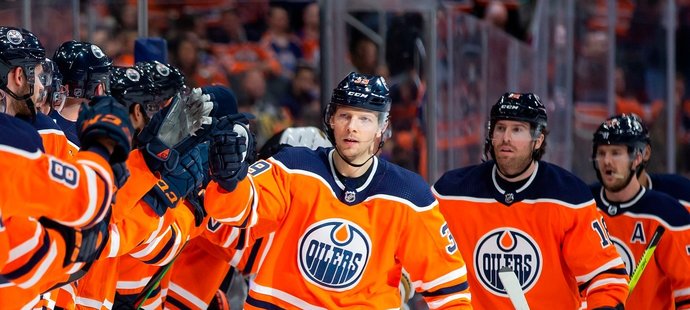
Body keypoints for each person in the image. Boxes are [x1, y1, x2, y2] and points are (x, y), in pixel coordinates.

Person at [204, 72, 472, 309]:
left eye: (364, 119)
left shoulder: (409, 195)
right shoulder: (292, 167)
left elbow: (450, 294)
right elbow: (237, 213)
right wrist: (228, 182)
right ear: (331, 119)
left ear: (382, 127)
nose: (352, 127)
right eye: (345, 115)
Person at [432, 92, 629, 309]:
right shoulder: (451, 193)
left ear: (538, 140)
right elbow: (419, 254)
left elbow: (605, 276)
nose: (506, 137)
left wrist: (605, 306)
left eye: (517, 129)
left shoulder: (568, 196)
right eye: (500, 128)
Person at [590, 114, 690, 309]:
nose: (607, 161)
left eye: (616, 153)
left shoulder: (668, 214)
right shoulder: (582, 204)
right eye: (602, 153)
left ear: (638, 157)